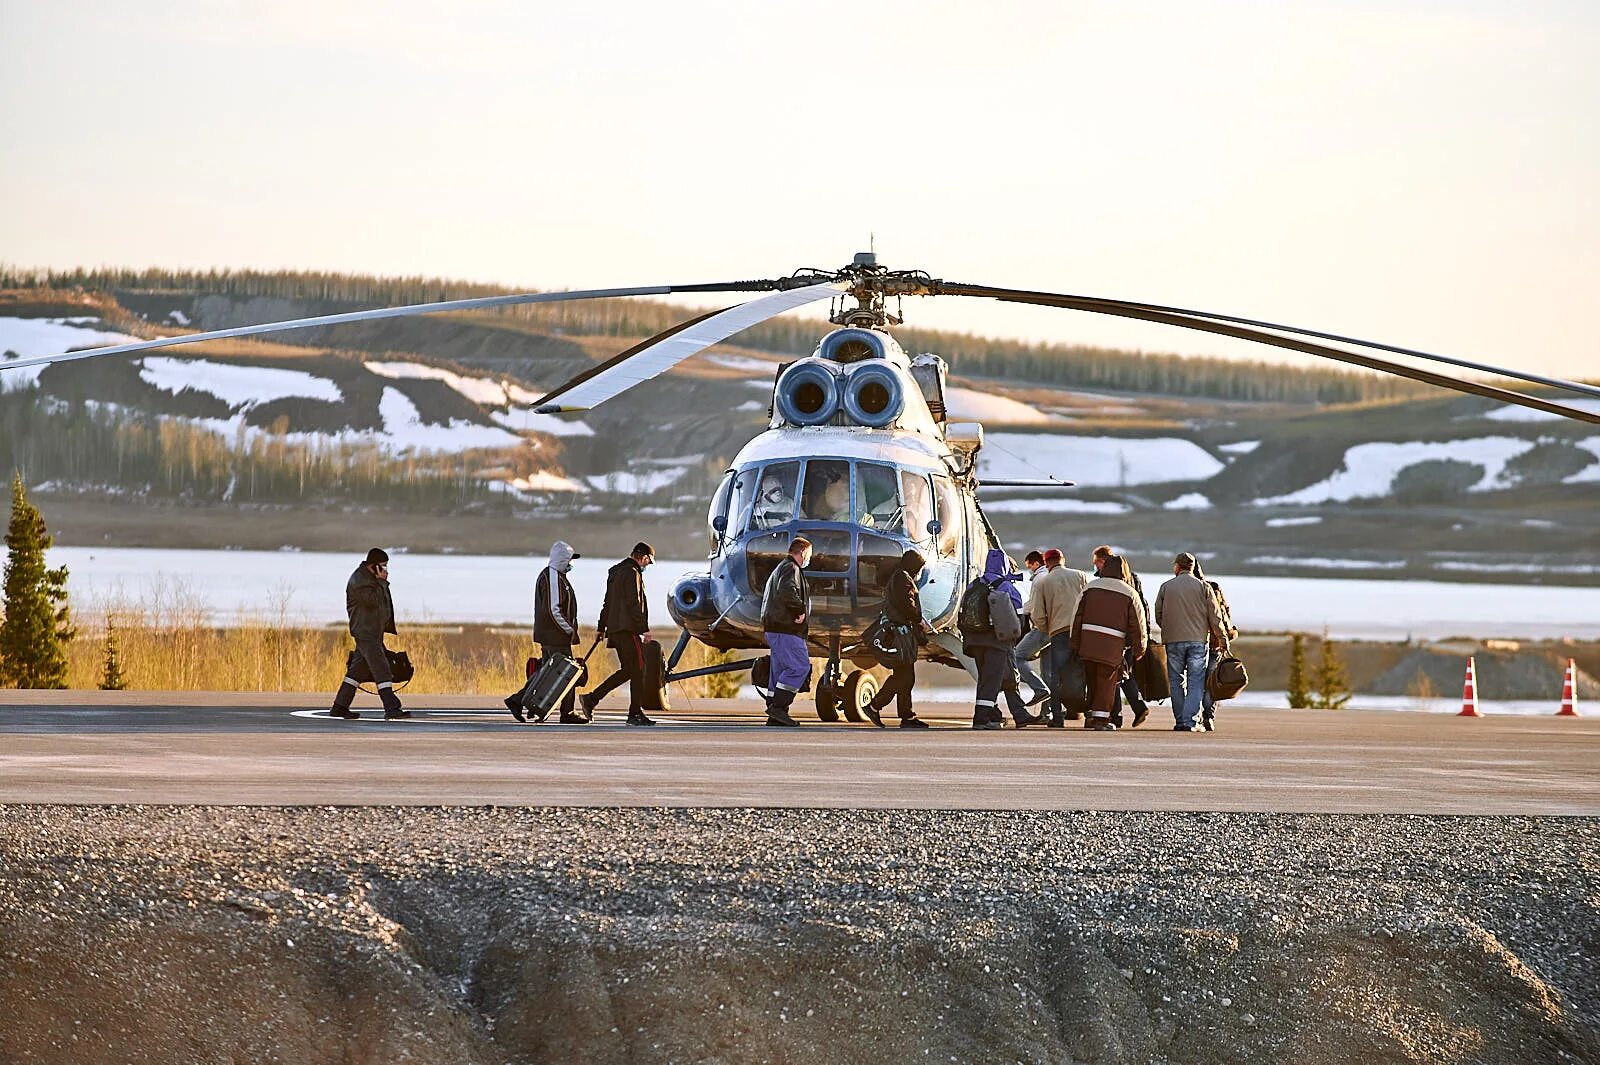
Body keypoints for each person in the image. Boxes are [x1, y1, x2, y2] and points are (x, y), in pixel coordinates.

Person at [506, 540, 586, 724]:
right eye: (569, 560)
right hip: (555, 636)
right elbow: (554, 609)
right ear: (562, 559)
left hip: (551, 635)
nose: (571, 564)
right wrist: (569, 630)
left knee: (544, 671)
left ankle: (517, 700)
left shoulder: (554, 576)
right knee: (568, 671)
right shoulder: (552, 577)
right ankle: (567, 712)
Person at [580, 542, 658, 726]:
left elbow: (607, 603)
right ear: (642, 557)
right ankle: (635, 714)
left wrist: (601, 627)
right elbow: (634, 603)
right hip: (627, 629)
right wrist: (643, 629)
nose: (647, 565)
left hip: (616, 630)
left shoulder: (615, 572)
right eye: (648, 561)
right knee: (639, 669)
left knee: (628, 670)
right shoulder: (632, 573)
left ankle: (591, 699)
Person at [1069, 554, 1148, 731]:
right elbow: (1138, 624)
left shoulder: (1090, 587)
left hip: (1088, 643)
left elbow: (1076, 617)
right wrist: (1139, 649)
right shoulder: (1129, 592)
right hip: (1111, 646)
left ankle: (1091, 717)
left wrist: (1075, 643)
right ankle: (1101, 720)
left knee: (1092, 681)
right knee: (1106, 682)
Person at [961, 548, 1038, 730]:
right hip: (998, 641)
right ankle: (981, 719)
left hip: (975, 640)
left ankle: (1006, 715)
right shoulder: (1006, 587)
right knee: (993, 680)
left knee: (989, 678)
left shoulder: (974, 584)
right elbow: (1020, 618)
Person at [329, 548, 409, 721]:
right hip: (366, 632)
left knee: (357, 671)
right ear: (374, 566)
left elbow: (382, 603)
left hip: (372, 632)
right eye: (383, 566)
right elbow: (372, 601)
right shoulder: (360, 581)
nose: (385, 570)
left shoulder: (370, 579)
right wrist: (381, 582)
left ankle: (339, 706)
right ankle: (391, 707)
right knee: (382, 668)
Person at [1154, 552, 1229, 732]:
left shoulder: (1166, 587)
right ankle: (1190, 722)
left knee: (1176, 680)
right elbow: (1215, 616)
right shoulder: (1204, 587)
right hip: (1197, 641)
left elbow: (1158, 615)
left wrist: (1169, 628)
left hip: (1173, 641)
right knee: (1196, 681)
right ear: (1193, 567)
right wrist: (1222, 637)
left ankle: (1180, 720)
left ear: (1177, 567)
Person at [863, 549, 932, 729]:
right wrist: (918, 619)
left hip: (899, 630)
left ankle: (907, 716)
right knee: (904, 676)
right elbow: (906, 604)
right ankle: (874, 705)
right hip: (900, 633)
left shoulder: (898, 575)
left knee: (905, 676)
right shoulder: (903, 578)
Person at [1028, 547, 1090, 727]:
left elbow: (1038, 614)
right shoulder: (1080, 576)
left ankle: (1057, 717)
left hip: (1059, 632)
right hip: (1081, 632)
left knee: (1056, 676)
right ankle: (1086, 713)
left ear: (1047, 563)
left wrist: (1048, 629)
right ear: (1063, 559)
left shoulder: (1043, 582)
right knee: (1083, 672)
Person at [1093, 545, 1152, 729]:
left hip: (1115, 633)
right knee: (1123, 673)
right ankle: (1138, 706)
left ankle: (1116, 715)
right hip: (1130, 634)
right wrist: (1143, 635)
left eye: (1095, 563)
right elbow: (1143, 607)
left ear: (1103, 561)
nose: (1095, 567)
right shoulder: (1133, 578)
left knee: (1113, 674)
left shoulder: (1107, 579)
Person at [760, 536, 813, 727]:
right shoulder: (791, 568)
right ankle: (779, 708)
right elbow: (787, 590)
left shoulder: (781, 567)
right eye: (809, 554)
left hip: (776, 627)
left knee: (780, 669)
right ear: (802, 552)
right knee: (799, 667)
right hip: (786, 628)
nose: (809, 558)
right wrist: (799, 610)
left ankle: (775, 712)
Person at [1191, 558, 1239, 732]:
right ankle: (1209, 716)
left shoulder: (1188, 590)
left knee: (1194, 680)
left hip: (1195, 641)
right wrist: (1226, 634)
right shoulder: (1214, 587)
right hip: (1215, 643)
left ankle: (1192, 716)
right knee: (1212, 681)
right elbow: (1224, 614)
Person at [1013, 550, 1053, 709]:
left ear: (1036, 564)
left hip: (1043, 627)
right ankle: (1047, 712)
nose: (1028, 568)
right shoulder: (1050, 576)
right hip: (1055, 628)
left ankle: (1039, 689)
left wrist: (1017, 611)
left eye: (1029, 565)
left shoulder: (1039, 579)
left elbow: (1035, 604)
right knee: (1047, 672)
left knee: (1017, 657)